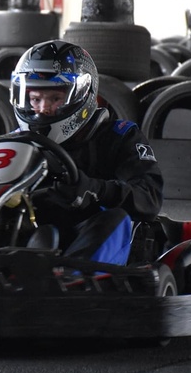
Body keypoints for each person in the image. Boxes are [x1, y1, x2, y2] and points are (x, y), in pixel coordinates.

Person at [9, 39, 164, 265]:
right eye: (35, 99)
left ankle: (75, 280)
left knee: (117, 218)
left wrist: (94, 190)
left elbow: (148, 199)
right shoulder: (17, 141)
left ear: (83, 94)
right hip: (31, 235)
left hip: (86, 235)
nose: (42, 109)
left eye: (54, 98)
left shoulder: (119, 137)